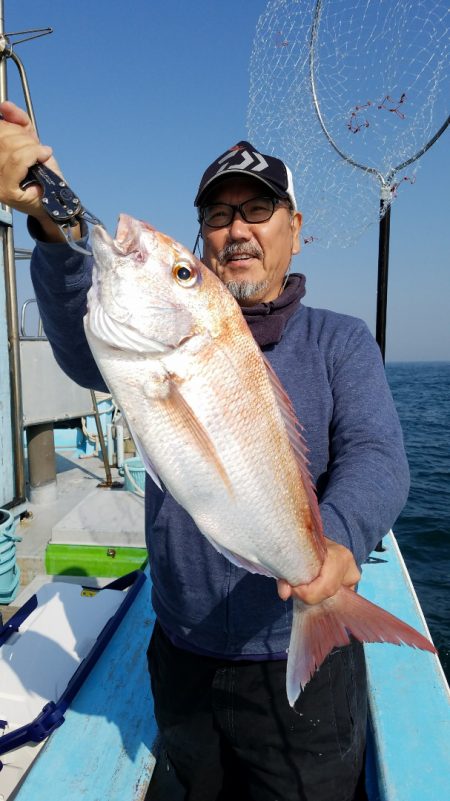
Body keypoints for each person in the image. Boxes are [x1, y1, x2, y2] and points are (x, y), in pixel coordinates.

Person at [0, 102, 409, 801]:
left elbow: (378, 456)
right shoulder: (155, 344)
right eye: (218, 217)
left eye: (258, 208)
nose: (237, 228)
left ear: (296, 231)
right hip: (182, 649)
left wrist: (334, 543)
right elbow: (81, 342)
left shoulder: (341, 342)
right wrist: (50, 217)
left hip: (294, 655)